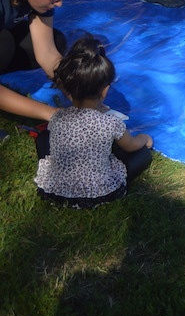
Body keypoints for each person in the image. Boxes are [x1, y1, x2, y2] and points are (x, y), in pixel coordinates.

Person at [33, 37, 154, 209]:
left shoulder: (57, 118)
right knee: (143, 155)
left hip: (56, 191)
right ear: (105, 90)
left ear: (67, 89)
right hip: (99, 193)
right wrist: (145, 139)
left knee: (44, 137)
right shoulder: (110, 122)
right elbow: (132, 146)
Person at [0, 0, 81, 122]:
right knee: (4, 44)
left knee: (57, 40)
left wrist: (81, 97)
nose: (59, 4)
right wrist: (52, 114)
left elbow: (47, 53)